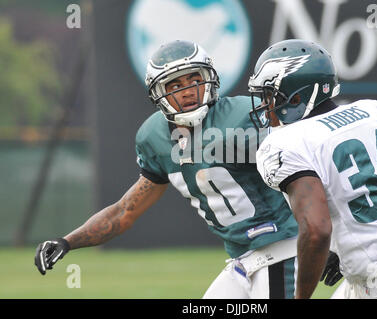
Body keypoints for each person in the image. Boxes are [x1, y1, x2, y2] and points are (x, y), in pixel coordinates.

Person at [34, 40, 299, 299]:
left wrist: (323, 238)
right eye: (175, 85)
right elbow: (125, 211)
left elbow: (306, 172)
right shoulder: (155, 137)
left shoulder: (245, 115)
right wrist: (68, 241)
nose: (188, 91)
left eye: (195, 80)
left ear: (210, 79)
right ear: (157, 92)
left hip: (281, 248)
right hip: (241, 261)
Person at [250, 39, 377, 299]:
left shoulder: (287, 142)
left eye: (269, 95)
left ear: (297, 96)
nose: (266, 104)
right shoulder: (372, 113)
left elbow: (316, 231)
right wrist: (352, 247)